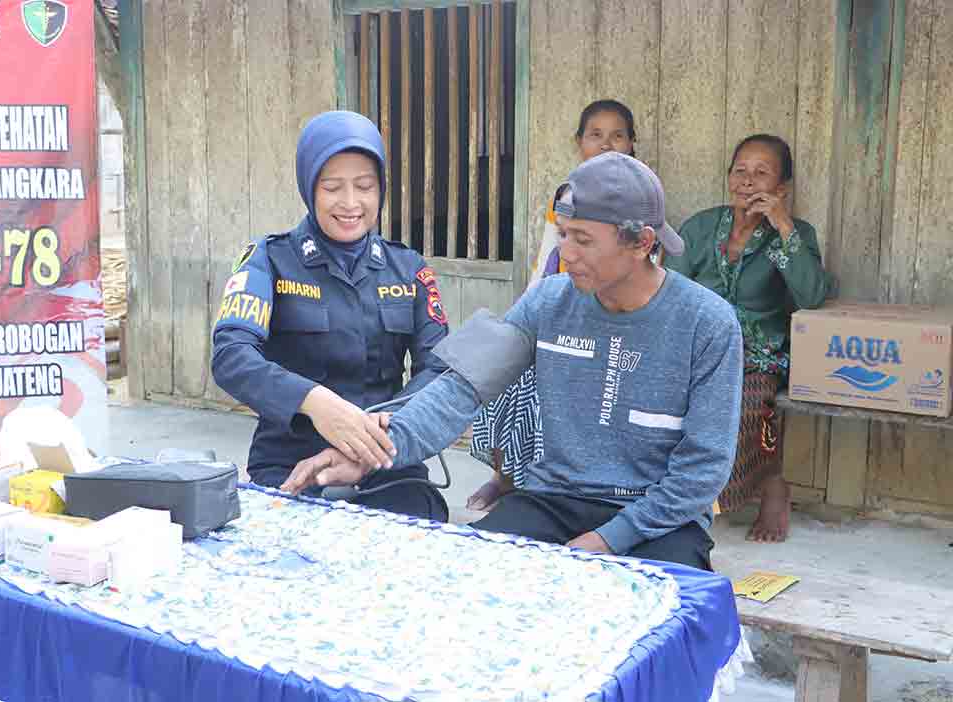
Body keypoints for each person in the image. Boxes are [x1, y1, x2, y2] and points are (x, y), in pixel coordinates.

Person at [282, 152, 743, 570]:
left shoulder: (708, 323)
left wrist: (607, 541)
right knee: (465, 577)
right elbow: (460, 389)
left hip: (659, 520)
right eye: (564, 235)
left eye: (583, 239)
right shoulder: (547, 301)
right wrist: (368, 454)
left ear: (642, 242)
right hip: (554, 500)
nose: (566, 252)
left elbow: (703, 471)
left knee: (659, 615)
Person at [211, 110, 450, 521]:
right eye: (332, 187)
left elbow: (440, 369)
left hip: (386, 461)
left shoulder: (408, 268)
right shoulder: (269, 260)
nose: (351, 203)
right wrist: (315, 403)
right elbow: (231, 355)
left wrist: (383, 429)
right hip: (291, 465)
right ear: (309, 188)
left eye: (365, 186)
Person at [467, 99, 639, 511]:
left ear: (632, 144)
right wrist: (523, 325)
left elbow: (646, 278)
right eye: (595, 135)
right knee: (507, 376)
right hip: (559, 313)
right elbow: (547, 263)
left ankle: (548, 486)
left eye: (617, 135)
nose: (606, 144)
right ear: (578, 142)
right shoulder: (565, 196)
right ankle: (506, 475)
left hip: (611, 326)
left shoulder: (641, 198)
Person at [666, 134, 833, 543]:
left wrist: (783, 225)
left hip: (758, 353)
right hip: (697, 345)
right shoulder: (702, 228)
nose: (747, 181)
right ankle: (668, 494)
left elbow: (812, 295)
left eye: (762, 173)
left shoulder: (794, 234)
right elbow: (669, 291)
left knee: (741, 401)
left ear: (782, 188)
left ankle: (770, 483)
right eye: (740, 170)